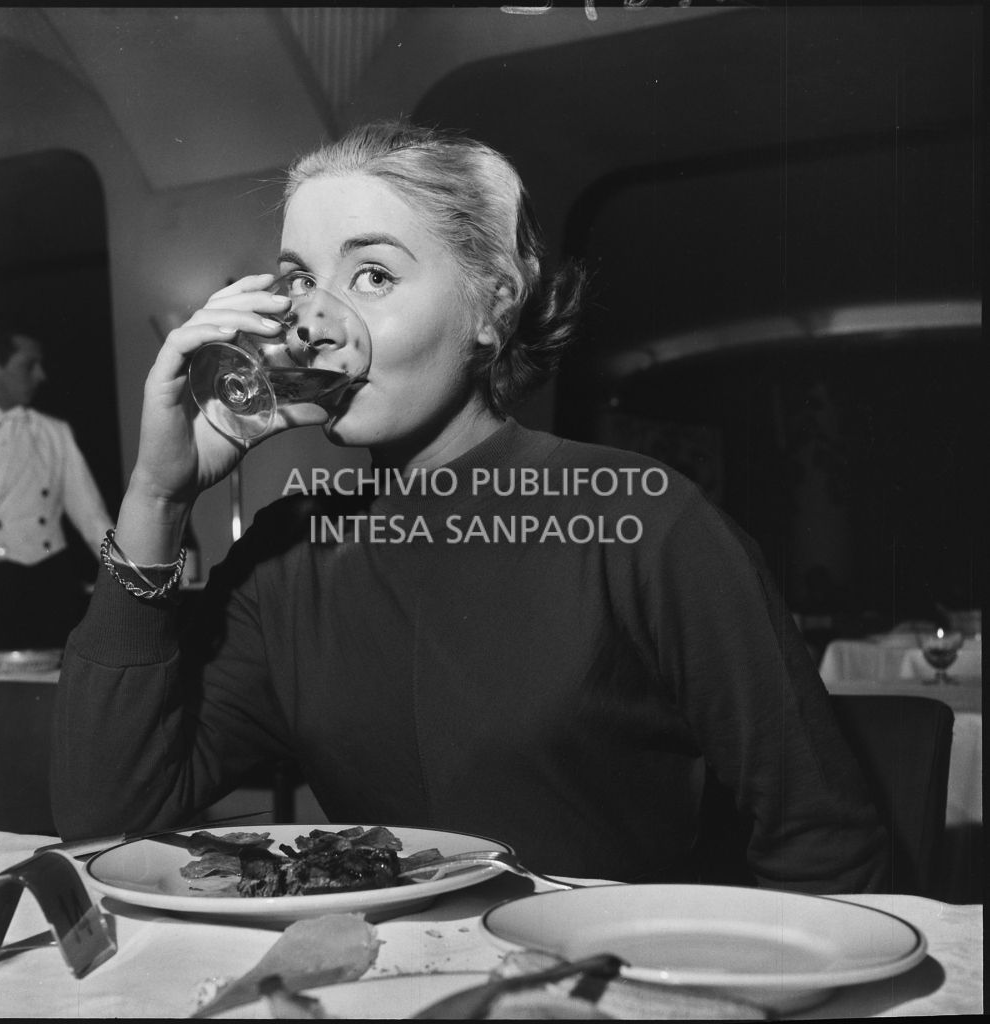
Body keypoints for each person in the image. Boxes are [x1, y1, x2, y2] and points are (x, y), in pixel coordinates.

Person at [52, 121, 888, 892]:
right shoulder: (291, 553)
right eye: (299, 279)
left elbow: (823, 841)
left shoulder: (643, 519)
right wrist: (157, 497)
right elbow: (109, 822)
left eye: (372, 274)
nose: (312, 322)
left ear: (492, 311)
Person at [0, 325, 114, 650]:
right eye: (29, 365)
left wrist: (132, 580)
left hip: (48, 583)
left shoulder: (55, 432)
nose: (41, 375)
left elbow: (94, 521)